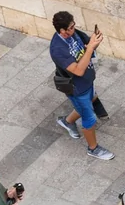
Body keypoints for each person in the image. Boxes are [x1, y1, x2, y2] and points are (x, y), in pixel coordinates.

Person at [48, 11, 114, 160]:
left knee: (86, 102)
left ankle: (67, 121)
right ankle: (93, 149)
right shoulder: (57, 50)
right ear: (62, 31)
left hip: (87, 80)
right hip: (77, 87)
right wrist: (90, 48)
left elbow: (87, 45)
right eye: (71, 27)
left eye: (73, 25)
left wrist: (94, 42)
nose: (74, 28)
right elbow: (77, 70)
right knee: (89, 118)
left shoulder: (73, 33)